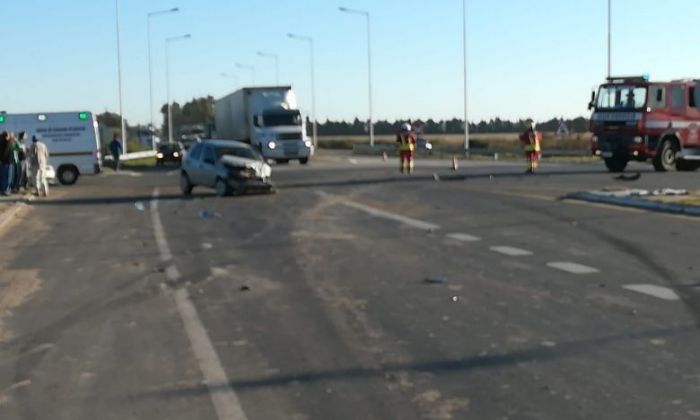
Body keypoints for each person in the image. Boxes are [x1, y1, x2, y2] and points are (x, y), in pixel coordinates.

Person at [0, 131, 15, 195]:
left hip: (5, 162)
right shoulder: (6, 143)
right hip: (6, 162)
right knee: (7, 177)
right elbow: (5, 153)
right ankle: (5, 190)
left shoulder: (3, 143)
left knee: (4, 177)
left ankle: (4, 190)